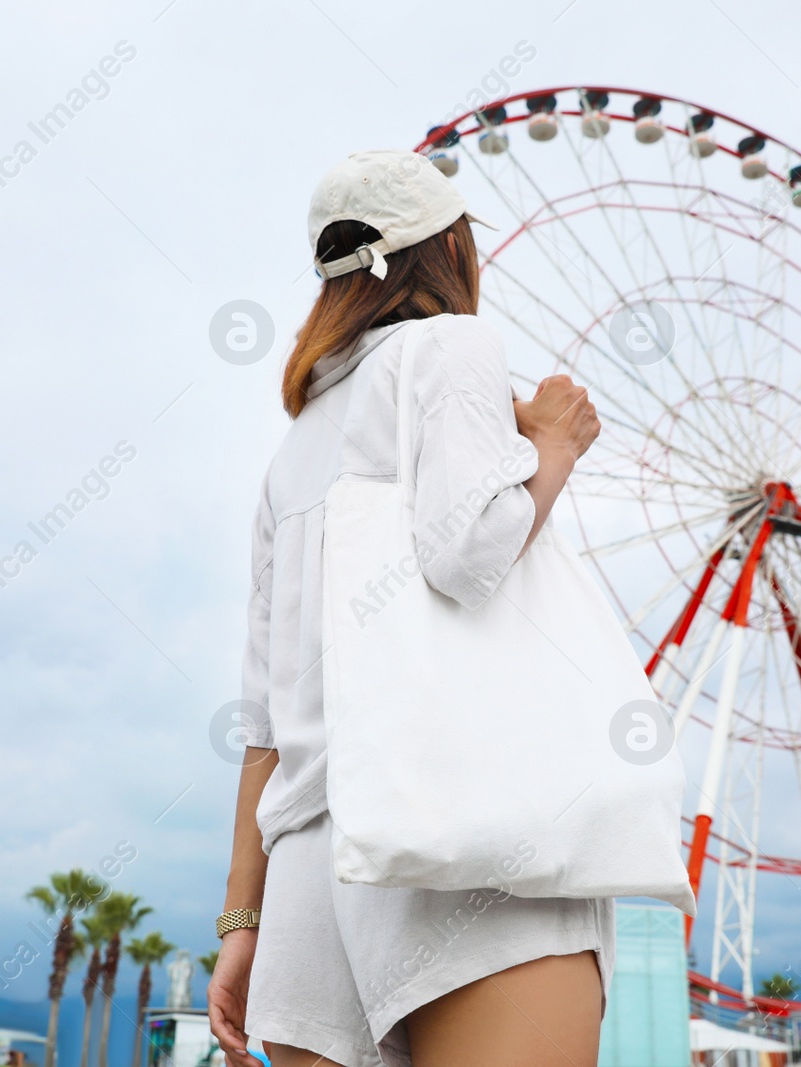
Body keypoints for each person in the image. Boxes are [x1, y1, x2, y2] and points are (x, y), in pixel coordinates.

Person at [208, 149, 609, 1067]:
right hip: (463, 838)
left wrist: (242, 922)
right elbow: (471, 548)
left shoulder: (293, 449)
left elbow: (263, 723)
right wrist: (553, 443)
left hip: (312, 875)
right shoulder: (451, 345)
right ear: (449, 250)